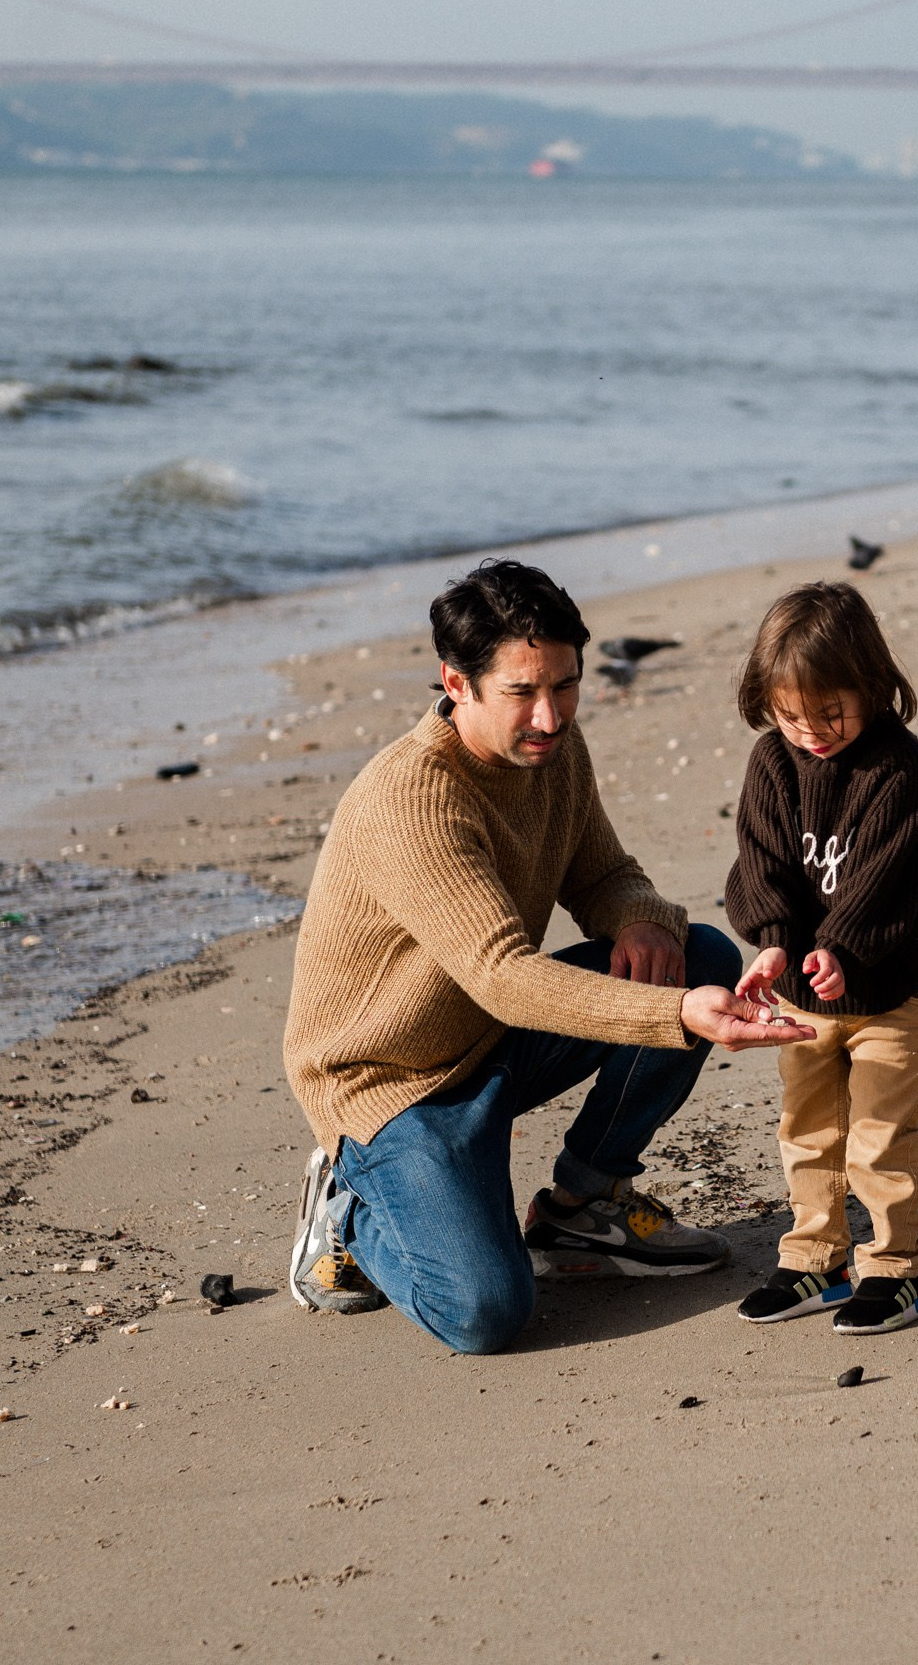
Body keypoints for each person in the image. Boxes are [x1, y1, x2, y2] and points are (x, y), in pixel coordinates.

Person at [281, 559, 811, 1355]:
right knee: (486, 1312)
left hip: (490, 1037)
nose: (551, 714)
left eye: (565, 685)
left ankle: (584, 1206)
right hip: (390, 1082)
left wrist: (639, 920)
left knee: (694, 952)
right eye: (522, 691)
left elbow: (602, 874)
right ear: (456, 683)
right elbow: (502, 974)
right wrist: (673, 1012)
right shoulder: (412, 797)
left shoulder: (551, 750)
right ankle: (348, 1212)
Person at [725, 583, 918, 1335]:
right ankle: (816, 1257)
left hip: (888, 990)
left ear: (872, 685)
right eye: (792, 715)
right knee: (808, 1128)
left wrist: (842, 946)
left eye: (830, 712)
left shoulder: (898, 765)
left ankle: (895, 1268)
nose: (812, 732)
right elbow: (760, 861)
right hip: (801, 997)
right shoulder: (772, 761)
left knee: (881, 1136)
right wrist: (774, 941)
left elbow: (890, 874)